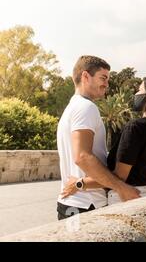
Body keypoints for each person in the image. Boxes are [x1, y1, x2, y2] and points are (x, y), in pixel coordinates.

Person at [61, 75, 146, 205]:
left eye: (139, 90)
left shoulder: (135, 128)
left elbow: (119, 178)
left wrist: (80, 183)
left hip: (126, 199)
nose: (136, 94)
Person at [56, 56, 141, 220]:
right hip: (86, 206)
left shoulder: (72, 107)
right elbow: (83, 157)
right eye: (103, 78)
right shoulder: (86, 107)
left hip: (74, 203)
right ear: (85, 76)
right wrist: (121, 188)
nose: (107, 84)